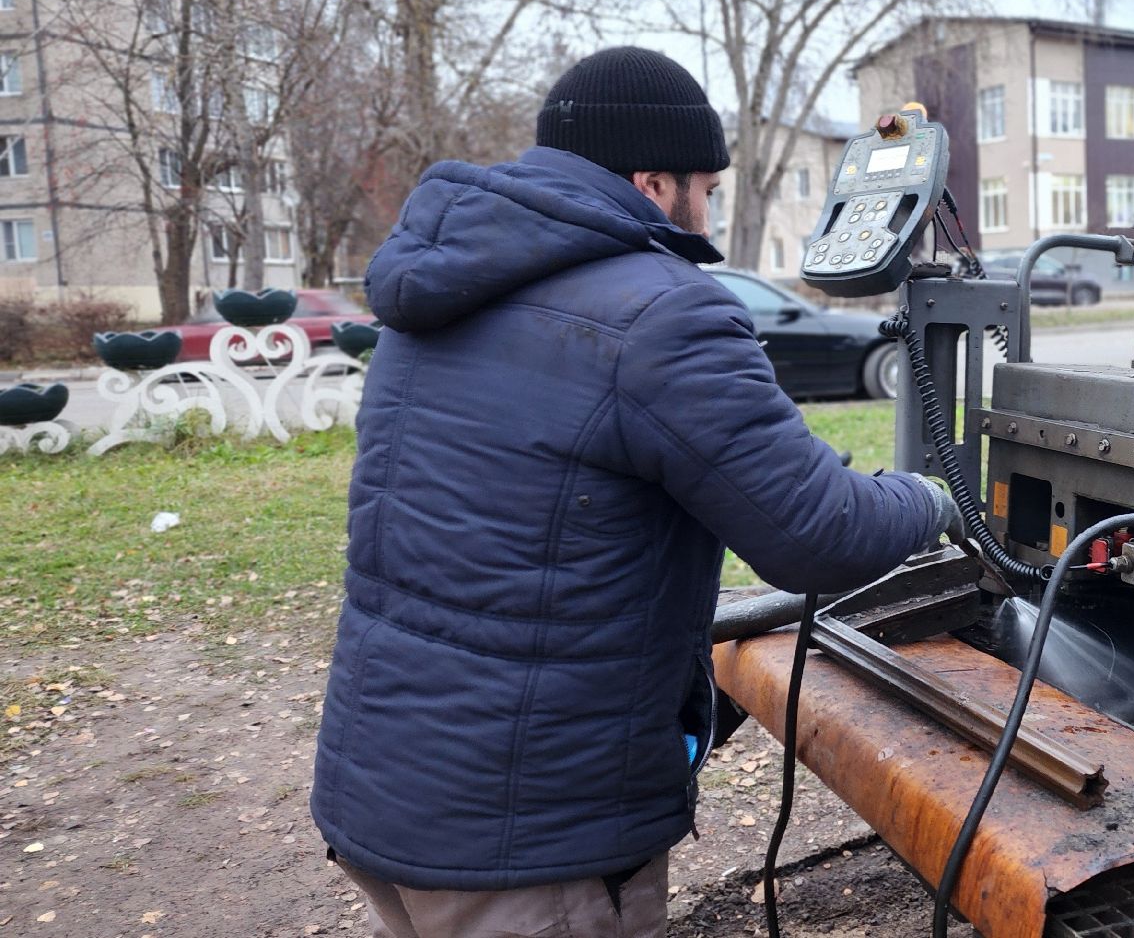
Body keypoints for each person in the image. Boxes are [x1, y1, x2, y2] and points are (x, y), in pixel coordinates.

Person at [310, 46, 960, 938]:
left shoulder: (434, 292)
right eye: (707, 186)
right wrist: (935, 500)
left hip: (384, 792)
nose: (709, 210)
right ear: (656, 182)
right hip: (531, 844)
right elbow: (816, 531)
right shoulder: (662, 313)